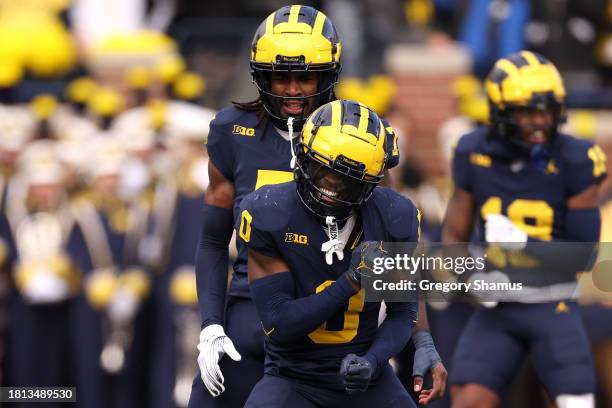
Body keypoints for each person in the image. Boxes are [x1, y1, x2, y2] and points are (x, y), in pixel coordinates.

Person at [191, 5, 444, 407]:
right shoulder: (231, 131)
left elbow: (395, 254)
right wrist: (209, 326)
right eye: (280, 76)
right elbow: (211, 242)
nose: (292, 91)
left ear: (328, 74)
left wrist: (419, 337)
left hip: (336, 321)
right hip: (253, 309)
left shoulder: (359, 139)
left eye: (305, 77)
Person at [443, 50, 607, 408]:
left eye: (547, 109)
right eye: (528, 110)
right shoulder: (472, 151)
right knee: (469, 400)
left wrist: (522, 243)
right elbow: (454, 236)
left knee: (576, 403)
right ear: (500, 110)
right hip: (498, 306)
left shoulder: (577, 159)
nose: (540, 120)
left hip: (552, 303)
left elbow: (583, 255)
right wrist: (469, 277)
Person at [241, 99, 420, 407]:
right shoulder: (270, 211)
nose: (331, 185)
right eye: (323, 170)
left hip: (368, 380)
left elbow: (402, 313)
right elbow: (278, 324)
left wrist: (374, 361)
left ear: (369, 184)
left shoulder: (395, 217)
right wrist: (348, 284)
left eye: (348, 180)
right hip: (294, 379)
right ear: (303, 155)